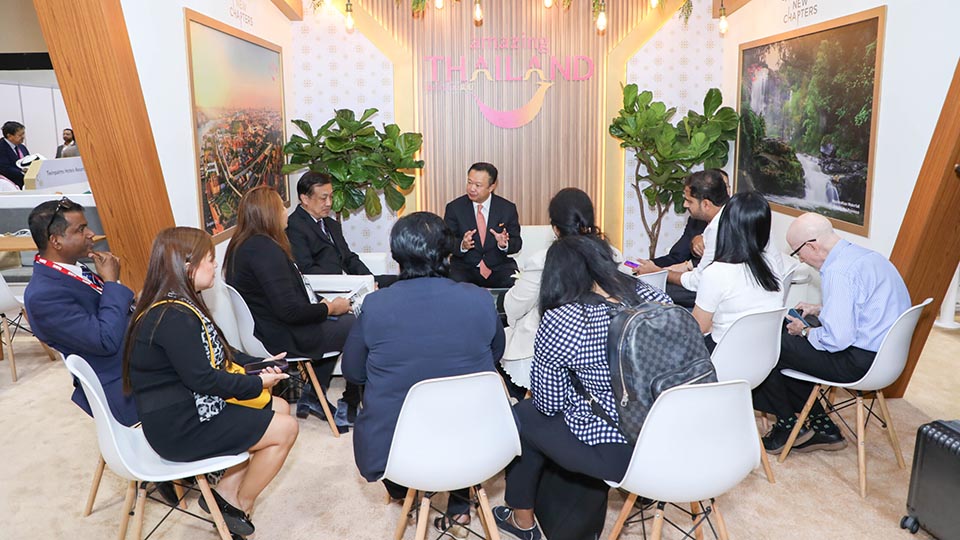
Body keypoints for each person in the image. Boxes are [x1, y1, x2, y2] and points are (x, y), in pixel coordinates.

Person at [493, 234, 673, 540]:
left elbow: (548, 403)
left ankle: (521, 520)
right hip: (674, 435)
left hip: (623, 450)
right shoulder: (655, 297)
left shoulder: (564, 318)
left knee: (523, 415)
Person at [124, 227, 298, 539]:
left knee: (281, 407)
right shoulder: (174, 317)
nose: (215, 265)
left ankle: (223, 496)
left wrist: (260, 363)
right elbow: (204, 379)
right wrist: (257, 384)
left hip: (188, 409)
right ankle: (240, 506)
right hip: (180, 426)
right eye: (210, 259)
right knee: (286, 429)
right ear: (187, 265)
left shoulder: (178, 305)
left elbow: (222, 351)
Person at [342, 212, 505, 537]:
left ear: (397, 256)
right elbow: (496, 353)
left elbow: (353, 371)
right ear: (448, 253)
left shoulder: (376, 305)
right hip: (479, 441)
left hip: (399, 451)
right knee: (458, 408)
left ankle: (406, 492)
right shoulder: (479, 298)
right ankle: (460, 502)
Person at [753, 212, 911, 455]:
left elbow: (837, 340)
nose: (801, 260)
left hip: (859, 363)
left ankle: (787, 425)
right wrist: (820, 309)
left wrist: (805, 331)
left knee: (771, 344)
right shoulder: (867, 257)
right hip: (886, 359)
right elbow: (864, 307)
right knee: (793, 338)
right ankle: (822, 427)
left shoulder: (838, 272)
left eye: (797, 252)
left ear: (812, 246)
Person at [502, 188, 671, 387]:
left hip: (539, 353)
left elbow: (514, 308)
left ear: (555, 228)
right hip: (613, 350)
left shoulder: (542, 262)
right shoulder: (612, 255)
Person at [224, 186, 356, 429]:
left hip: (267, 329)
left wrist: (324, 307)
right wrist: (329, 309)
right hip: (282, 336)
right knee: (357, 323)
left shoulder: (243, 246)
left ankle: (315, 394)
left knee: (344, 321)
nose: (286, 212)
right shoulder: (264, 251)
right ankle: (349, 402)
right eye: (281, 208)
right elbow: (291, 311)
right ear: (268, 214)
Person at [22, 198, 138, 426]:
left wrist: (134, 302)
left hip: (134, 361)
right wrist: (111, 283)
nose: (91, 234)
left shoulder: (72, 269)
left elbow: (102, 311)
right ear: (56, 241)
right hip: (123, 384)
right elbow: (105, 341)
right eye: (81, 229)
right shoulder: (43, 296)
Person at [692, 191, 783, 351]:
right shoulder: (770, 263)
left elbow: (697, 328)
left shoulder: (716, 272)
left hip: (722, 355)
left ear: (725, 225)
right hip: (763, 354)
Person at [286, 171, 396, 288]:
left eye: (331, 197)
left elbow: (348, 257)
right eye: (323, 198)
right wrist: (345, 282)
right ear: (305, 199)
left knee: (399, 281)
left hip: (351, 282)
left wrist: (369, 280)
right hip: (332, 287)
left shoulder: (331, 224)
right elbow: (307, 269)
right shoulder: (294, 226)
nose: (329, 203)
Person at [444, 162, 522, 288]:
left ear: (491, 187)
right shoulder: (454, 208)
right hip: (465, 267)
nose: (471, 188)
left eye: (478, 185)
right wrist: (462, 245)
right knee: (454, 283)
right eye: (469, 182)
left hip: (498, 266)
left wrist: (504, 244)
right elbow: (447, 242)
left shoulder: (507, 208)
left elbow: (517, 243)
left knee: (513, 282)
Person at [0, 121, 29, 189]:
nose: (23, 137)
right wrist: (23, 173)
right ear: (9, 136)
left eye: (23, 134)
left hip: (26, 184)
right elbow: (4, 168)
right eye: (20, 135)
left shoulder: (22, 147)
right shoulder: (1, 147)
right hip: (10, 186)